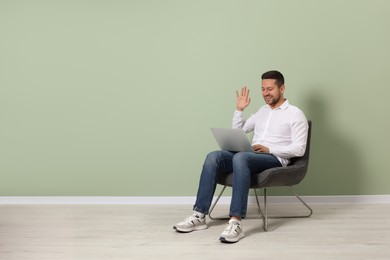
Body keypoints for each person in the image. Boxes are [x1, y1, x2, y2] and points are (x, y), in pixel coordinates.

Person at [173, 70, 308, 243]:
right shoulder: (262, 111)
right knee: (213, 156)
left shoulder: (295, 114)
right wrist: (239, 110)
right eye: (263, 89)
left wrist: (269, 149)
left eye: (270, 89)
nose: (266, 93)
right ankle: (199, 215)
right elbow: (240, 131)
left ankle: (236, 222)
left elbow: (299, 149)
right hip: (252, 155)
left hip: (274, 158)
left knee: (241, 158)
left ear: (282, 88)